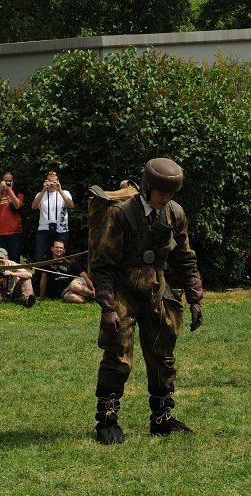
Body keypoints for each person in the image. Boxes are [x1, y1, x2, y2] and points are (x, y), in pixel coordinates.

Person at [90, 158, 203, 445]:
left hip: (156, 288)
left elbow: (185, 257)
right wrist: (108, 306)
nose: (165, 199)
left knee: (162, 355)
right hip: (122, 291)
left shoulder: (174, 214)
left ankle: (162, 419)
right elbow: (101, 265)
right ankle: (107, 420)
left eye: (171, 194)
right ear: (147, 187)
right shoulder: (120, 215)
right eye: (161, 193)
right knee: (119, 357)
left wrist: (195, 297)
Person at [31, 171, 74, 262]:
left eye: (54, 182)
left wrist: (60, 191)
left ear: (58, 182)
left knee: (63, 257)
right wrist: (43, 190)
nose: (52, 184)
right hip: (44, 229)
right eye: (50, 181)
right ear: (46, 181)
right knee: (41, 257)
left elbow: (71, 205)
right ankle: (40, 276)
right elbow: (34, 207)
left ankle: (63, 275)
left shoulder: (65, 192)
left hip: (61, 230)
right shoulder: (40, 194)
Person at [38, 239, 94, 303]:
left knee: (75, 286)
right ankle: (88, 299)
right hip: (64, 290)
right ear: (52, 249)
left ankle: (94, 295)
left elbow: (84, 275)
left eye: (61, 248)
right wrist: (41, 296)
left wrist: (93, 288)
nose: (59, 249)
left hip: (75, 282)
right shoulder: (47, 262)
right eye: (56, 247)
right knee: (72, 298)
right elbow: (43, 278)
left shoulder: (70, 261)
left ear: (64, 250)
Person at [0, 170, 25, 263]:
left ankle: (13, 277)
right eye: (5, 180)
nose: (7, 182)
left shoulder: (18, 194)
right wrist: (0, 190)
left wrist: (9, 191)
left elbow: (17, 205)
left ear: (13, 182)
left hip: (15, 233)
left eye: (9, 181)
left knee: (14, 260)